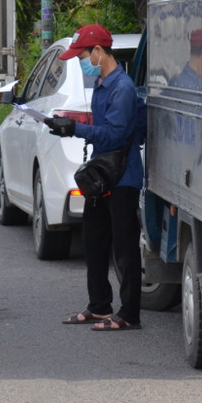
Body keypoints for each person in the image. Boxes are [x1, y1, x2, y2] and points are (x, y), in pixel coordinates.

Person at [46, 24, 146, 331]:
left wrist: (75, 129)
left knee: (124, 248)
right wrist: (67, 124)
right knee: (94, 241)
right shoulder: (103, 84)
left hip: (122, 178)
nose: (81, 61)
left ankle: (129, 313)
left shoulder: (123, 88)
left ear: (99, 52)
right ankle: (100, 306)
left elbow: (116, 135)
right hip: (102, 177)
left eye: (83, 55)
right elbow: (103, 126)